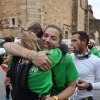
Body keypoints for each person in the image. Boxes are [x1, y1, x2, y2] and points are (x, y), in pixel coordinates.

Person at [3, 23, 79, 100]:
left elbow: (72, 87)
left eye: (53, 38)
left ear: (59, 43)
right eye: (45, 35)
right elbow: (7, 45)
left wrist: (55, 98)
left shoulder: (66, 58)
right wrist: (32, 55)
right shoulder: (28, 51)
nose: (47, 40)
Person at [68, 31, 100, 100]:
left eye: (74, 41)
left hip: (85, 98)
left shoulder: (95, 60)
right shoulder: (69, 57)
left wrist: (89, 85)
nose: (71, 44)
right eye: (71, 41)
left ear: (84, 42)